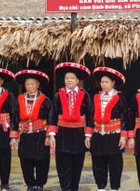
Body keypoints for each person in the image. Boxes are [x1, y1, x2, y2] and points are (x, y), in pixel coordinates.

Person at [48, 62, 93, 191]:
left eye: (72, 78)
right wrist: (52, 135)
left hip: (79, 135)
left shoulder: (85, 96)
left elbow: (90, 115)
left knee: (77, 166)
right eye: (67, 78)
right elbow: (53, 115)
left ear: (77, 80)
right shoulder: (58, 96)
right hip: (62, 135)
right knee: (62, 166)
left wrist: (88, 135)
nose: (69, 80)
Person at [86, 66, 129, 191]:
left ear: (113, 83)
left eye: (107, 82)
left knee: (115, 164)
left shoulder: (120, 98)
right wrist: (88, 135)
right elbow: (90, 116)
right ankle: (101, 187)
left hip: (114, 135)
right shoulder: (95, 97)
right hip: (98, 135)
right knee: (98, 162)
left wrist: (123, 136)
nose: (104, 84)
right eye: (102, 82)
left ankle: (115, 187)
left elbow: (124, 117)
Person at [14, 69, 53, 191]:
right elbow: (15, 117)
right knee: (25, 160)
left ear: (37, 85)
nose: (30, 86)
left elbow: (50, 118)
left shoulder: (45, 100)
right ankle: (30, 184)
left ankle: (40, 184)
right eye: (27, 84)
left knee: (42, 160)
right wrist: (14, 136)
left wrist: (49, 135)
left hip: (40, 134)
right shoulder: (19, 99)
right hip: (25, 135)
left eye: (32, 84)